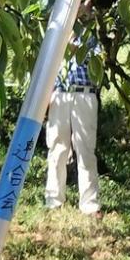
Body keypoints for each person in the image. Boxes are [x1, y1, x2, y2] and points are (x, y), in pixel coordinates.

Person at [43, 26, 101, 215]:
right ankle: (54, 200)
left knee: (85, 150)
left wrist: (75, 42)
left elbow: (97, 61)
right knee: (57, 148)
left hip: (84, 94)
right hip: (60, 95)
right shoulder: (56, 29)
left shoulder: (93, 34)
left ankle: (89, 204)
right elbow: (47, 61)